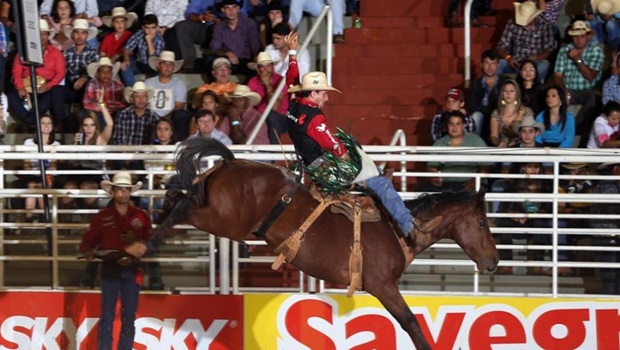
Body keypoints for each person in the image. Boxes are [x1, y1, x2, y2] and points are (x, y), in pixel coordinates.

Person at [285, 56, 440, 240]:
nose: (327, 97)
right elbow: (336, 147)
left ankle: (371, 179)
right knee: (381, 184)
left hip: (310, 162)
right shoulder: (314, 119)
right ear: (313, 94)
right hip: (324, 168)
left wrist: (293, 55)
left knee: (357, 151)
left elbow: (291, 79)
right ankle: (410, 227)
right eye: (324, 93)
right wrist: (351, 168)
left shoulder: (294, 104)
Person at [79, 171, 153, 349]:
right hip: (110, 267)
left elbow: (150, 241)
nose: (123, 193)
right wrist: (89, 252)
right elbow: (87, 242)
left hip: (132, 269)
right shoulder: (102, 217)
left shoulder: (141, 216)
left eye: (126, 189)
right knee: (107, 315)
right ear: (112, 192)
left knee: (129, 315)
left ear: (130, 192)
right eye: (120, 189)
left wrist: (136, 244)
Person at [7, 19, 66, 129]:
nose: (41, 36)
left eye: (44, 33)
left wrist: (48, 86)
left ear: (48, 36)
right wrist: (20, 87)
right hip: (26, 85)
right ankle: (31, 122)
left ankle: (29, 122)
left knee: (52, 95)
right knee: (11, 97)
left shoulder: (56, 53)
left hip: (45, 87)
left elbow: (60, 73)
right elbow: (16, 71)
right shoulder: (23, 53)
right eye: (39, 34)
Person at [552, 20, 603, 142]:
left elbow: (590, 76)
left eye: (582, 36)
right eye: (575, 36)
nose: (578, 39)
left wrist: (577, 59)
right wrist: (562, 89)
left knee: (593, 97)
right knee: (553, 94)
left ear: (588, 36)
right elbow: (557, 75)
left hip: (588, 90)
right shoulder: (564, 50)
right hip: (568, 89)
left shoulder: (596, 51)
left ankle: (575, 127)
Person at [421, 111, 491, 192]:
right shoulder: (439, 143)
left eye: (458, 124)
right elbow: (431, 166)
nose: (454, 128)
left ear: (463, 125)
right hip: (446, 184)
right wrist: (434, 178)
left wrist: (475, 181)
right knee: (421, 190)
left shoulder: (476, 141)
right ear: (447, 126)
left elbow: (487, 166)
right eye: (451, 124)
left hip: (469, 183)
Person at [496, 0, 555, 82]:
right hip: (515, 63)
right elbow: (501, 47)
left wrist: (535, 58)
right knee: (499, 64)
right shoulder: (512, 23)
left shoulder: (544, 25)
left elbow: (548, 50)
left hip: (534, 63)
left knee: (544, 65)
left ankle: (532, 88)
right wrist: (508, 57)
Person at [207, 0, 260, 79]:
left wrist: (256, 59)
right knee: (209, 61)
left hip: (245, 60)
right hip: (227, 61)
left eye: (234, 7)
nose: (231, 11)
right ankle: (215, 89)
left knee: (255, 70)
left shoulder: (249, 23)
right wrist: (228, 53)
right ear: (223, 10)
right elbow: (215, 48)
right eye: (227, 8)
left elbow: (255, 45)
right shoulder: (219, 26)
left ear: (238, 9)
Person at [22, 114, 60, 224]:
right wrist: (35, 172)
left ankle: (45, 221)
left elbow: (53, 165)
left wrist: (44, 174)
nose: (46, 125)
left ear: (52, 126)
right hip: (32, 174)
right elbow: (26, 164)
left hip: (49, 175)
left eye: (48, 123)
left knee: (42, 185)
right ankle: (29, 221)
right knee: (32, 185)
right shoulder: (28, 142)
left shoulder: (56, 144)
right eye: (43, 123)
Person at [62, 18, 100, 128]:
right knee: (57, 90)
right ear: (73, 34)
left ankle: (84, 120)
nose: (79, 36)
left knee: (90, 85)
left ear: (87, 35)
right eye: (77, 32)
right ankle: (62, 121)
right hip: (70, 84)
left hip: (86, 86)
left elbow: (96, 72)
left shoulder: (93, 54)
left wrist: (84, 78)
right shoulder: (66, 53)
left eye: (83, 33)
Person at [145, 51, 192, 139]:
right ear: (159, 65)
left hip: (171, 117)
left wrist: (165, 119)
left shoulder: (178, 83)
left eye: (170, 64)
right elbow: (144, 104)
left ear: (173, 68)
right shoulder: (148, 83)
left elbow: (179, 106)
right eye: (164, 64)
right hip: (151, 117)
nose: (167, 67)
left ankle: (181, 146)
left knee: (182, 114)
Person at [114, 82, 160, 170]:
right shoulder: (123, 114)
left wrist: (138, 155)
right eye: (137, 97)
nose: (141, 100)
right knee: (121, 166)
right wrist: (126, 154)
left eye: (143, 96)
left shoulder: (154, 116)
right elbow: (119, 138)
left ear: (147, 99)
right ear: (131, 99)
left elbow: (154, 140)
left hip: (144, 155)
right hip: (124, 152)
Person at [590, 162, 620, 294]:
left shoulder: (607, 183)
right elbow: (611, 205)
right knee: (610, 275)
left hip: (609, 233)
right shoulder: (608, 183)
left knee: (611, 274)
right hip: (609, 234)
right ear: (615, 168)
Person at [247, 51, 289, 144]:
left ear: (273, 66)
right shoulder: (253, 82)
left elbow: (274, 107)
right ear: (258, 69)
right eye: (262, 66)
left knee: (272, 116)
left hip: (281, 118)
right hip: (260, 117)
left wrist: (268, 85)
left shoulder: (280, 80)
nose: (266, 69)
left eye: (268, 65)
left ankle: (275, 152)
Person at [175, 0, 220, 72]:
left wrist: (223, 21)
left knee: (225, 27)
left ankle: (231, 64)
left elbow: (241, 15)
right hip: (204, 27)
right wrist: (202, 17)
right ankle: (189, 65)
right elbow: (190, 14)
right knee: (183, 26)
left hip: (228, 26)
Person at [121, 14, 165, 86]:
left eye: (153, 28)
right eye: (147, 28)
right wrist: (126, 59)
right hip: (140, 64)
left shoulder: (159, 39)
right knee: (124, 67)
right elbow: (127, 48)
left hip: (154, 67)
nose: (150, 31)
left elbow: (153, 59)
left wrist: (149, 41)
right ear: (143, 28)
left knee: (159, 73)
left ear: (157, 27)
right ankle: (133, 89)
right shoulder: (139, 34)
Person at [468, 49, 504, 137]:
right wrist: (489, 112)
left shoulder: (505, 82)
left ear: (498, 65)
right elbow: (472, 106)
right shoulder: (476, 83)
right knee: (476, 115)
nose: (490, 67)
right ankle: (474, 145)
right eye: (487, 63)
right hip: (482, 116)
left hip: (500, 116)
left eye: (493, 63)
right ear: (481, 65)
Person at [489, 80, 534, 148]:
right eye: (505, 91)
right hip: (503, 148)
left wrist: (516, 142)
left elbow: (530, 134)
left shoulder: (527, 112)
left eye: (512, 91)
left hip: (522, 147)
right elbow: (494, 136)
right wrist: (498, 143)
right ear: (502, 94)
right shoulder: (496, 113)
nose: (508, 93)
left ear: (517, 94)